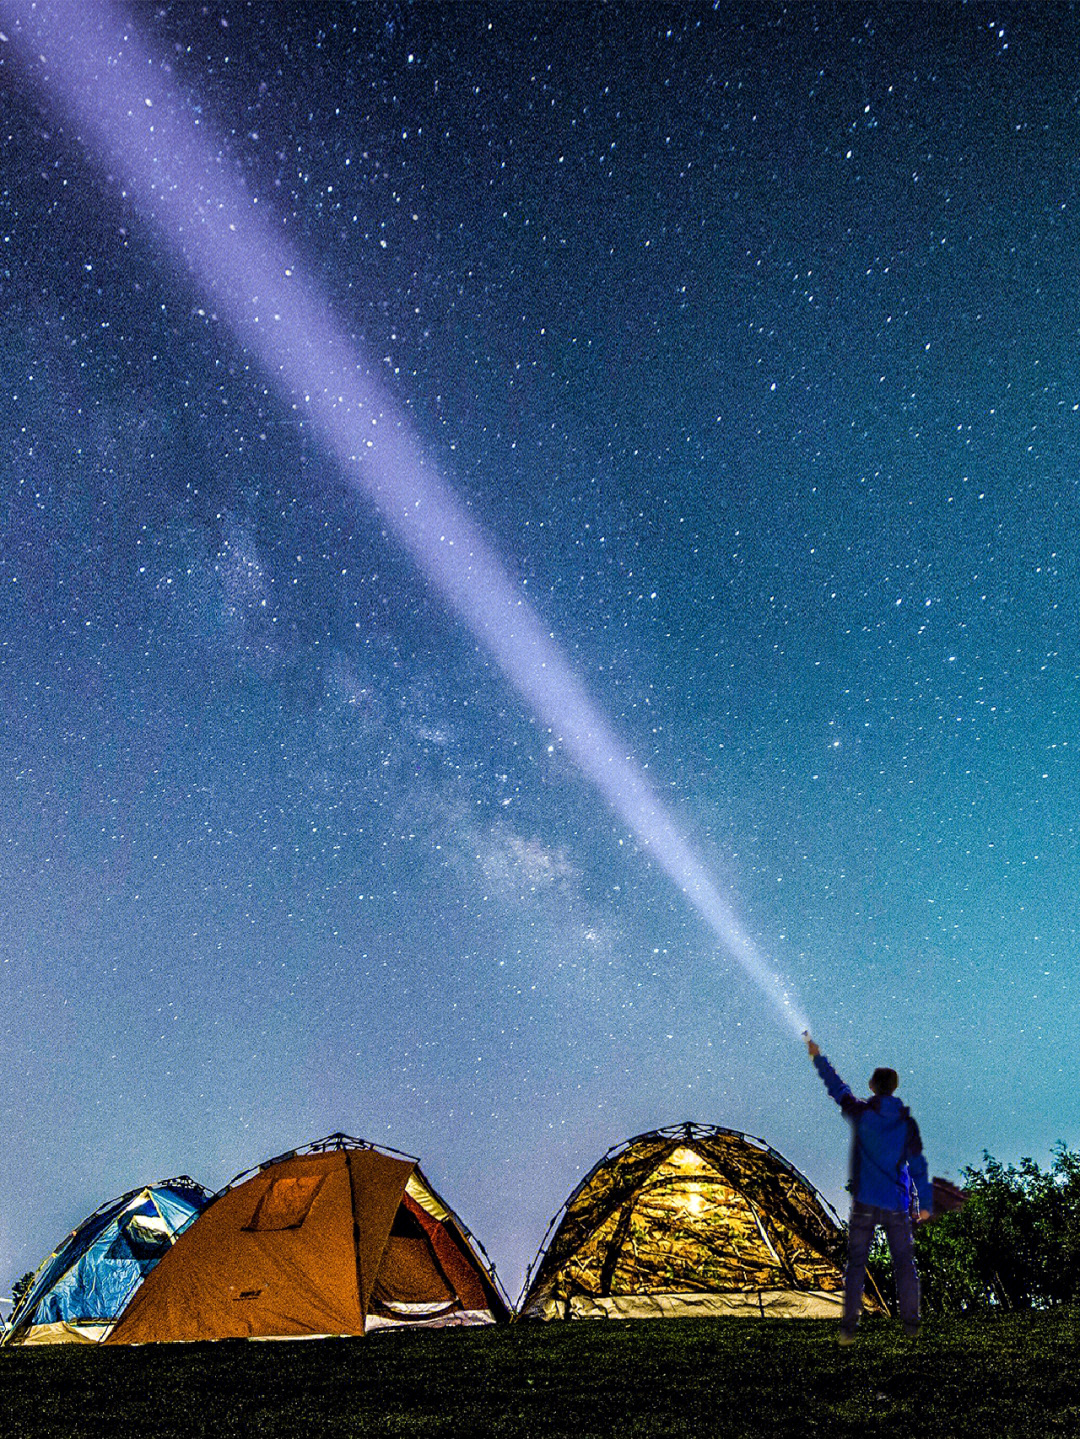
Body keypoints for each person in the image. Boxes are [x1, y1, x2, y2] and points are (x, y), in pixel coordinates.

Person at [803, 1032, 931, 1344]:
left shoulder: (861, 1113)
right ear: (894, 1088)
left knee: (857, 1265)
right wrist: (923, 1202)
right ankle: (911, 1325)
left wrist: (817, 1056)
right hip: (898, 1203)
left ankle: (848, 1328)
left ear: (872, 1087)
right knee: (905, 1264)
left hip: (865, 1202)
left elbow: (837, 1088)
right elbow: (917, 1164)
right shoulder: (905, 1122)